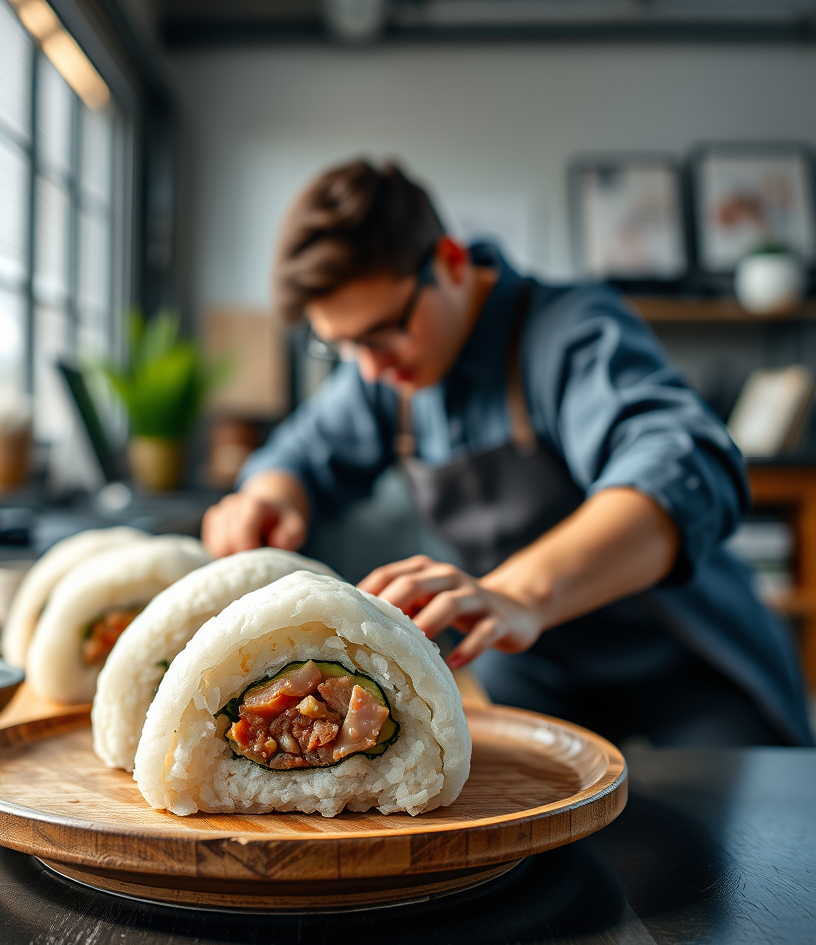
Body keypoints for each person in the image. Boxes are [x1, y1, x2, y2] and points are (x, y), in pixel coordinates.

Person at [201, 159, 813, 747]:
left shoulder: (569, 330)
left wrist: (519, 594)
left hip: (683, 658)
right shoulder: (386, 372)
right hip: (533, 665)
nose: (369, 368)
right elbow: (298, 456)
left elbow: (686, 465)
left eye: (384, 331)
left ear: (451, 262)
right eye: (343, 346)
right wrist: (267, 497)